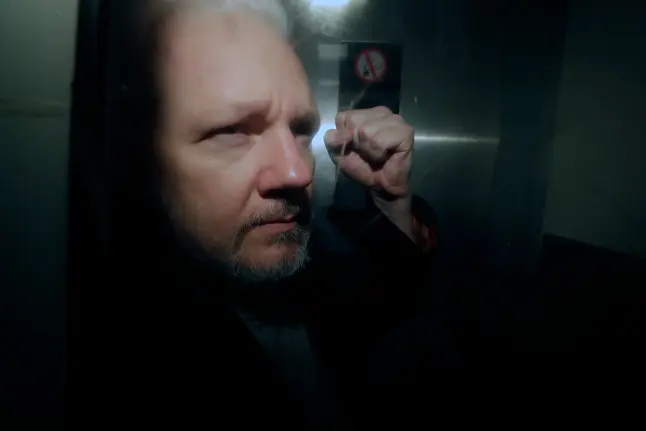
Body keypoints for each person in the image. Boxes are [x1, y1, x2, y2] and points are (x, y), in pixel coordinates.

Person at [83, 0, 456, 429]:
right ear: (140, 160)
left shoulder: (321, 269)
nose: (298, 173)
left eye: (300, 130)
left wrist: (392, 204)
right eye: (231, 131)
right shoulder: (115, 348)